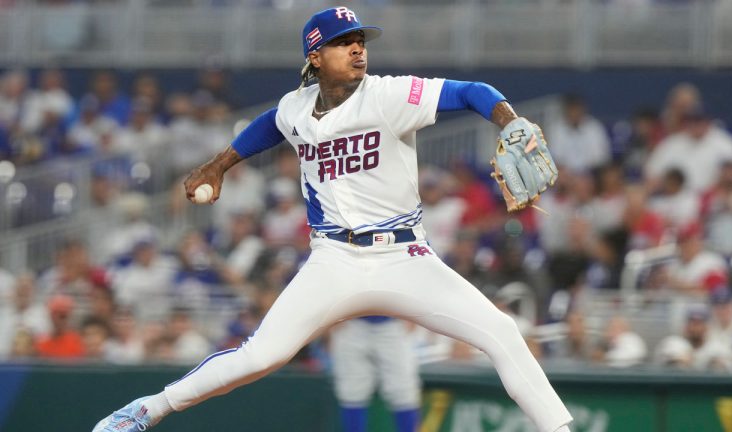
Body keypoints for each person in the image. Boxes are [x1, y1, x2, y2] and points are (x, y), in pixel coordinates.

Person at [92, 7, 572, 432]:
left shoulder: (388, 96)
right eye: (344, 42)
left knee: (503, 332)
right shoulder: (296, 108)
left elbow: (471, 91)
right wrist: (219, 164)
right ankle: (146, 411)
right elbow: (268, 127)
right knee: (262, 355)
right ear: (316, 56)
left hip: (404, 256)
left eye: (360, 40)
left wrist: (507, 119)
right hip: (334, 259)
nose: (358, 48)